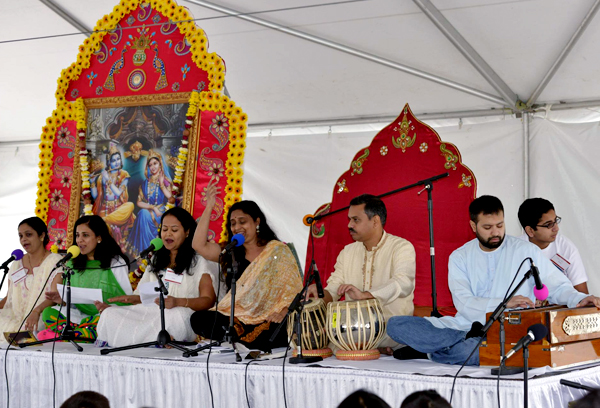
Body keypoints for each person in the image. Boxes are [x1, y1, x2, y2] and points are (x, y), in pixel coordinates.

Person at [386, 195, 600, 365]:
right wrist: (504, 303)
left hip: (508, 331)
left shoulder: (526, 251)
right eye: (487, 228)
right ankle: (457, 345)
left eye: (500, 225)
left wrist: (579, 299)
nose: (496, 232)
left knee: (470, 351)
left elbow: (557, 286)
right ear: (473, 226)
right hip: (464, 327)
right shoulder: (460, 257)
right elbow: (463, 303)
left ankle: (431, 352)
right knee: (396, 325)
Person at [190, 181, 303, 351]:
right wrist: (209, 206)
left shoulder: (277, 250)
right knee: (198, 319)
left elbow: (292, 291)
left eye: (242, 221)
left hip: (267, 319)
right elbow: (198, 245)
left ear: (257, 222)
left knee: (283, 326)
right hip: (236, 319)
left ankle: (237, 340)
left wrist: (283, 312)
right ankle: (239, 338)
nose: (237, 227)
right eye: (233, 223)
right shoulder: (230, 251)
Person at [96, 207, 222, 347]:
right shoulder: (156, 259)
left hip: (183, 313)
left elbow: (208, 300)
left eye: (174, 230)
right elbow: (143, 297)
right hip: (153, 313)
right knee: (110, 314)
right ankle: (151, 342)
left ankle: (160, 341)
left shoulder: (200, 261)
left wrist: (177, 302)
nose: (168, 234)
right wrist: (130, 300)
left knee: (173, 315)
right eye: (164, 229)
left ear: (187, 232)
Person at [305, 194, 416, 349]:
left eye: (356, 220)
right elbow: (334, 288)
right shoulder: (347, 252)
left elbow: (403, 282)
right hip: (353, 334)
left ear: (375, 221)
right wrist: (318, 295)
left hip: (390, 333)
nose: (349, 225)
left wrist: (367, 295)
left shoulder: (401, 247)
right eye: (349, 219)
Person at [40, 215, 133, 341]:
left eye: (85, 235)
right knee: (48, 312)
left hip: (105, 314)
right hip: (80, 315)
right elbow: (73, 303)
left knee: (107, 318)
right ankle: (82, 333)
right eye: (77, 235)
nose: (79, 240)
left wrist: (109, 308)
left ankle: (72, 334)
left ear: (99, 237)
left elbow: (127, 299)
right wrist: (63, 300)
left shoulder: (116, 262)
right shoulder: (72, 263)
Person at [0, 217, 63, 339]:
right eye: (20, 236)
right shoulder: (16, 263)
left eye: (28, 234)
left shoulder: (55, 261)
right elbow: (9, 297)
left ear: (41, 236)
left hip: (39, 317)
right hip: (13, 317)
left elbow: (54, 297)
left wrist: (36, 311)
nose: (23, 239)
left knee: (26, 334)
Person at [518, 198, 588, 293]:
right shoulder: (515, 250)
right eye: (549, 225)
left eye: (555, 221)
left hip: (562, 302)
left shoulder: (566, 247)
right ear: (530, 231)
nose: (556, 228)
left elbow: (582, 294)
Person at [129, 149, 172, 256]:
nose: (153, 167)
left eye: (155, 163)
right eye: (150, 165)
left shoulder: (165, 180)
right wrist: (153, 208)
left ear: (160, 164)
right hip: (151, 210)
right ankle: (143, 253)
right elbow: (139, 202)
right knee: (143, 213)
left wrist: (161, 184)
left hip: (162, 211)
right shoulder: (145, 183)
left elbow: (170, 197)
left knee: (144, 214)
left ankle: (151, 252)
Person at [91, 143, 135, 247]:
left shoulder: (124, 175)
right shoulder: (102, 176)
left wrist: (108, 180)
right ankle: (105, 220)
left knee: (130, 205)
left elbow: (118, 193)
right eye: (113, 160)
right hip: (104, 208)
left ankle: (105, 220)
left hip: (119, 208)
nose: (116, 162)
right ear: (109, 163)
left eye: (118, 159)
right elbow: (95, 196)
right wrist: (92, 182)